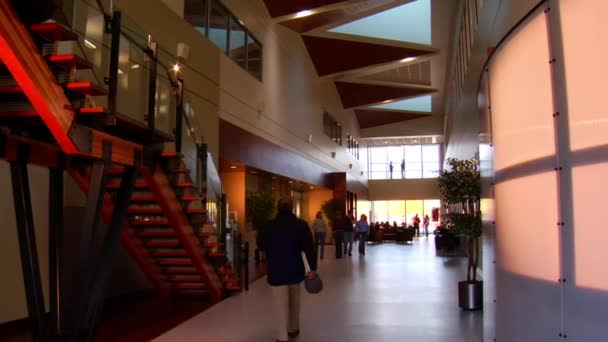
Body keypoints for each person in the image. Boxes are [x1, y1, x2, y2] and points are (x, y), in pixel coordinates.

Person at [257, 197, 317, 342]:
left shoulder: (268, 226)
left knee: (280, 304)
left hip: (277, 271)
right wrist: (312, 268)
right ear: (292, 208)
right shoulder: (301, 225)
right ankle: (293, 328)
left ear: (278, 208)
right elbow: (309, 248)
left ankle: (281, 336)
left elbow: (261, 245)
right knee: (295, 301)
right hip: (296, 270)